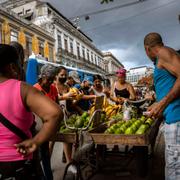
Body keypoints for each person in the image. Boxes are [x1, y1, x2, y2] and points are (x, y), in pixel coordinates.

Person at [0, 44, 63, 180]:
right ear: (12, 66)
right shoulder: (22, 89)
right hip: (18, 161)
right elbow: (55, 114)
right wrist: (36, 141)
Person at [144, 32, 180, 180]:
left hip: (176, 119)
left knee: (174, 170)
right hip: (172, 118)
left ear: (147, 49)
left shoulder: (164, 52)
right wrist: (157, 104)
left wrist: (163, 103)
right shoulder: (163, 57)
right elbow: (169, 86)